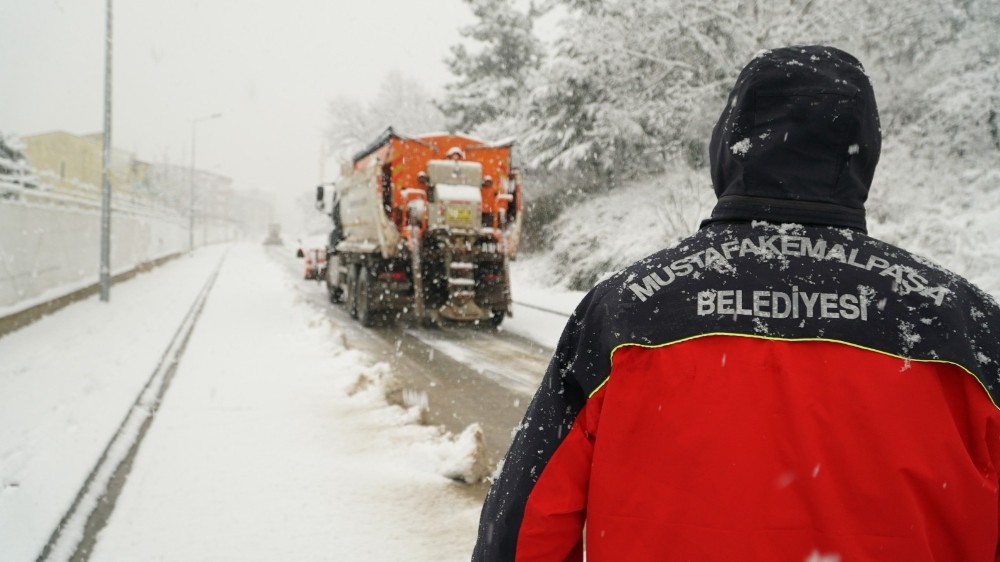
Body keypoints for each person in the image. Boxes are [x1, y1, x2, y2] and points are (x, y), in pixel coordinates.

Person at [471, 45, 1000, 561]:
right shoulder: (966, 326)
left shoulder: (627, 309)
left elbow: (522, 531)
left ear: (729, 145)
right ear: (862, 153)